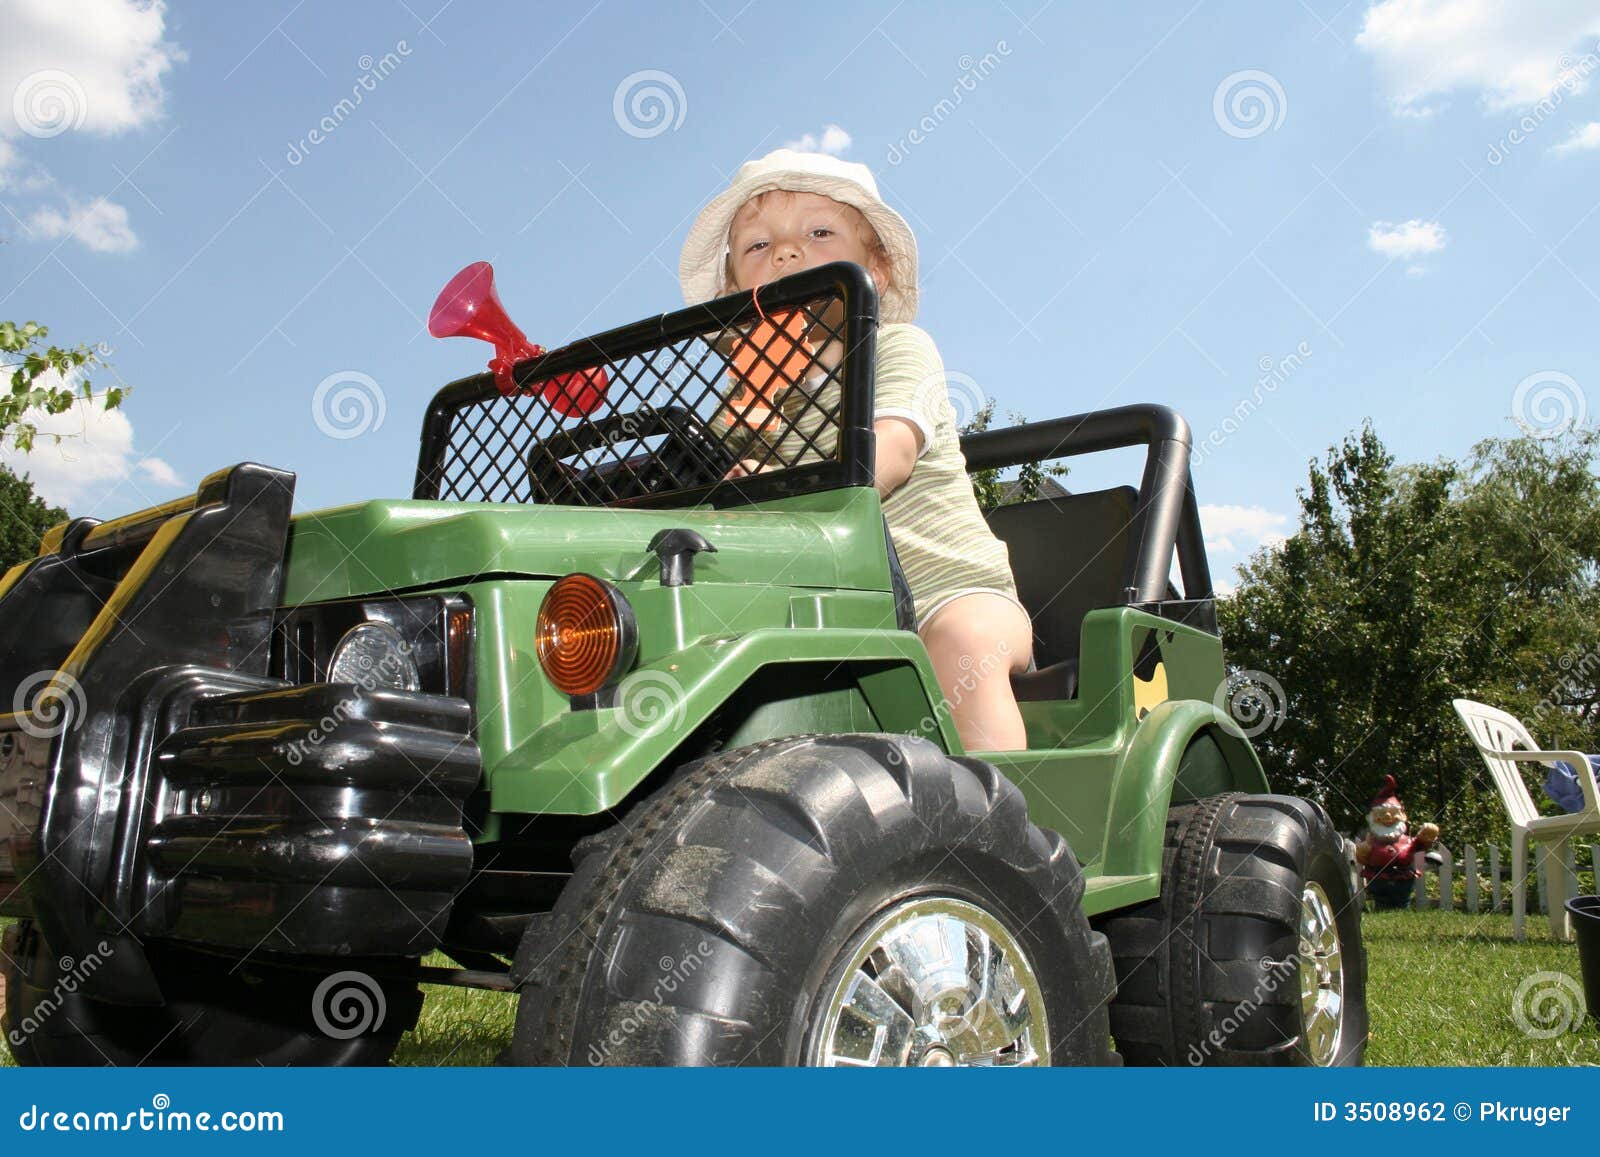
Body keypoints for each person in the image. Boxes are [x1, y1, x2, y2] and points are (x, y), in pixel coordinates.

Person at [677, 148, 1033, 751]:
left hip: (943, 591)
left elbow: (890, 453)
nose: (786, 253)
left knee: (964, 643)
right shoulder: (745, 398)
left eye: (818, 233)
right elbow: (704, 479)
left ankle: (995, 805)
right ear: (735, 290)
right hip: (817, 609)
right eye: (758, 245)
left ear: (878, 270)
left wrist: (776, 484)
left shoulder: (896, 348)